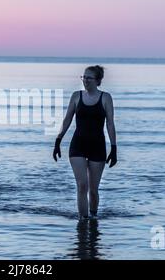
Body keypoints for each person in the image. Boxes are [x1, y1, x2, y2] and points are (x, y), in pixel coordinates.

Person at [53, 65, 117, 220]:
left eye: (89, 78)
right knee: (82, 186)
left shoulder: (106, 98)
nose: (85, 80)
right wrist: (58, 140)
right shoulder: (76, 96)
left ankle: (93, 217)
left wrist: (114, 148)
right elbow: (67, 119)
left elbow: (110, 123)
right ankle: (83, 220)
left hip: (97, 147)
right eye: (84, 77)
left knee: (93, 190)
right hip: (78, 146)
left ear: (98, 81)